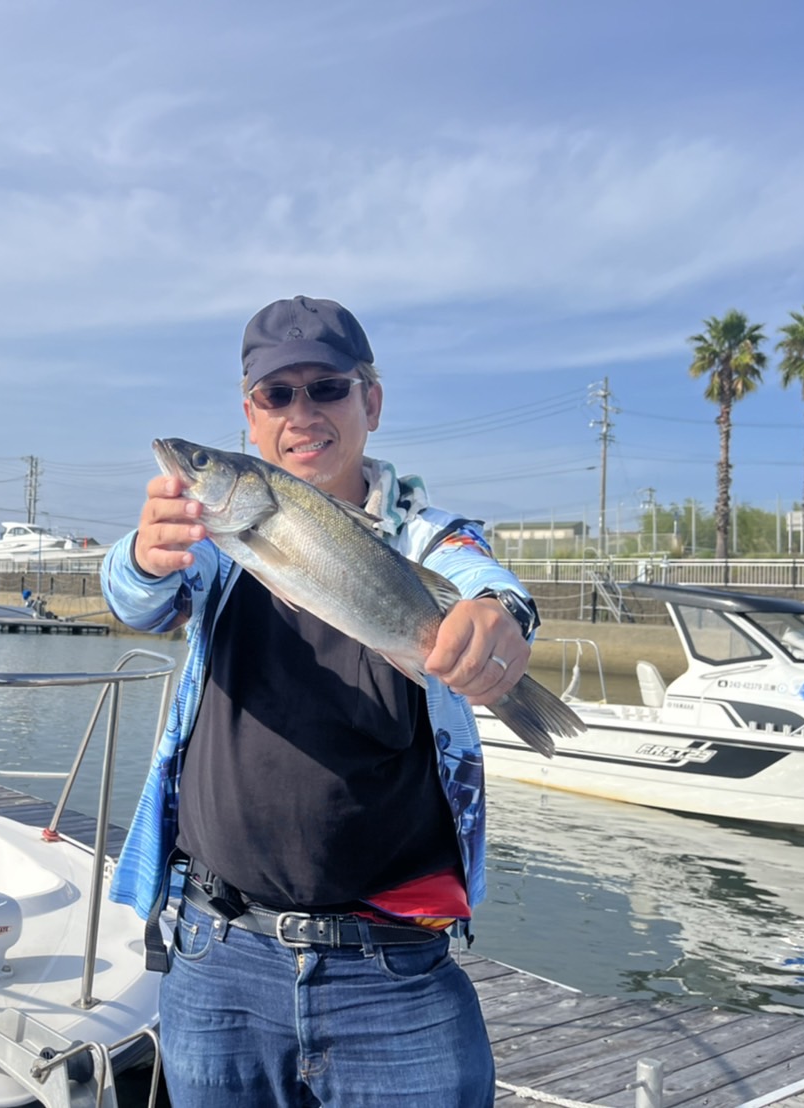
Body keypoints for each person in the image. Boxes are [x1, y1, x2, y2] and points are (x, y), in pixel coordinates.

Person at [100, 295, 542, 1107]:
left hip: (395, 967)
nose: (302, 412)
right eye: (277, 394)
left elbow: (490, 586)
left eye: (327, 388)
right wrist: (142, 554)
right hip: (216, 950)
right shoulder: (218, 540)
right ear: (251, 416)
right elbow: (134, 598)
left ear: (369, 399)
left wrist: (498, 624)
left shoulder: (428, 536)